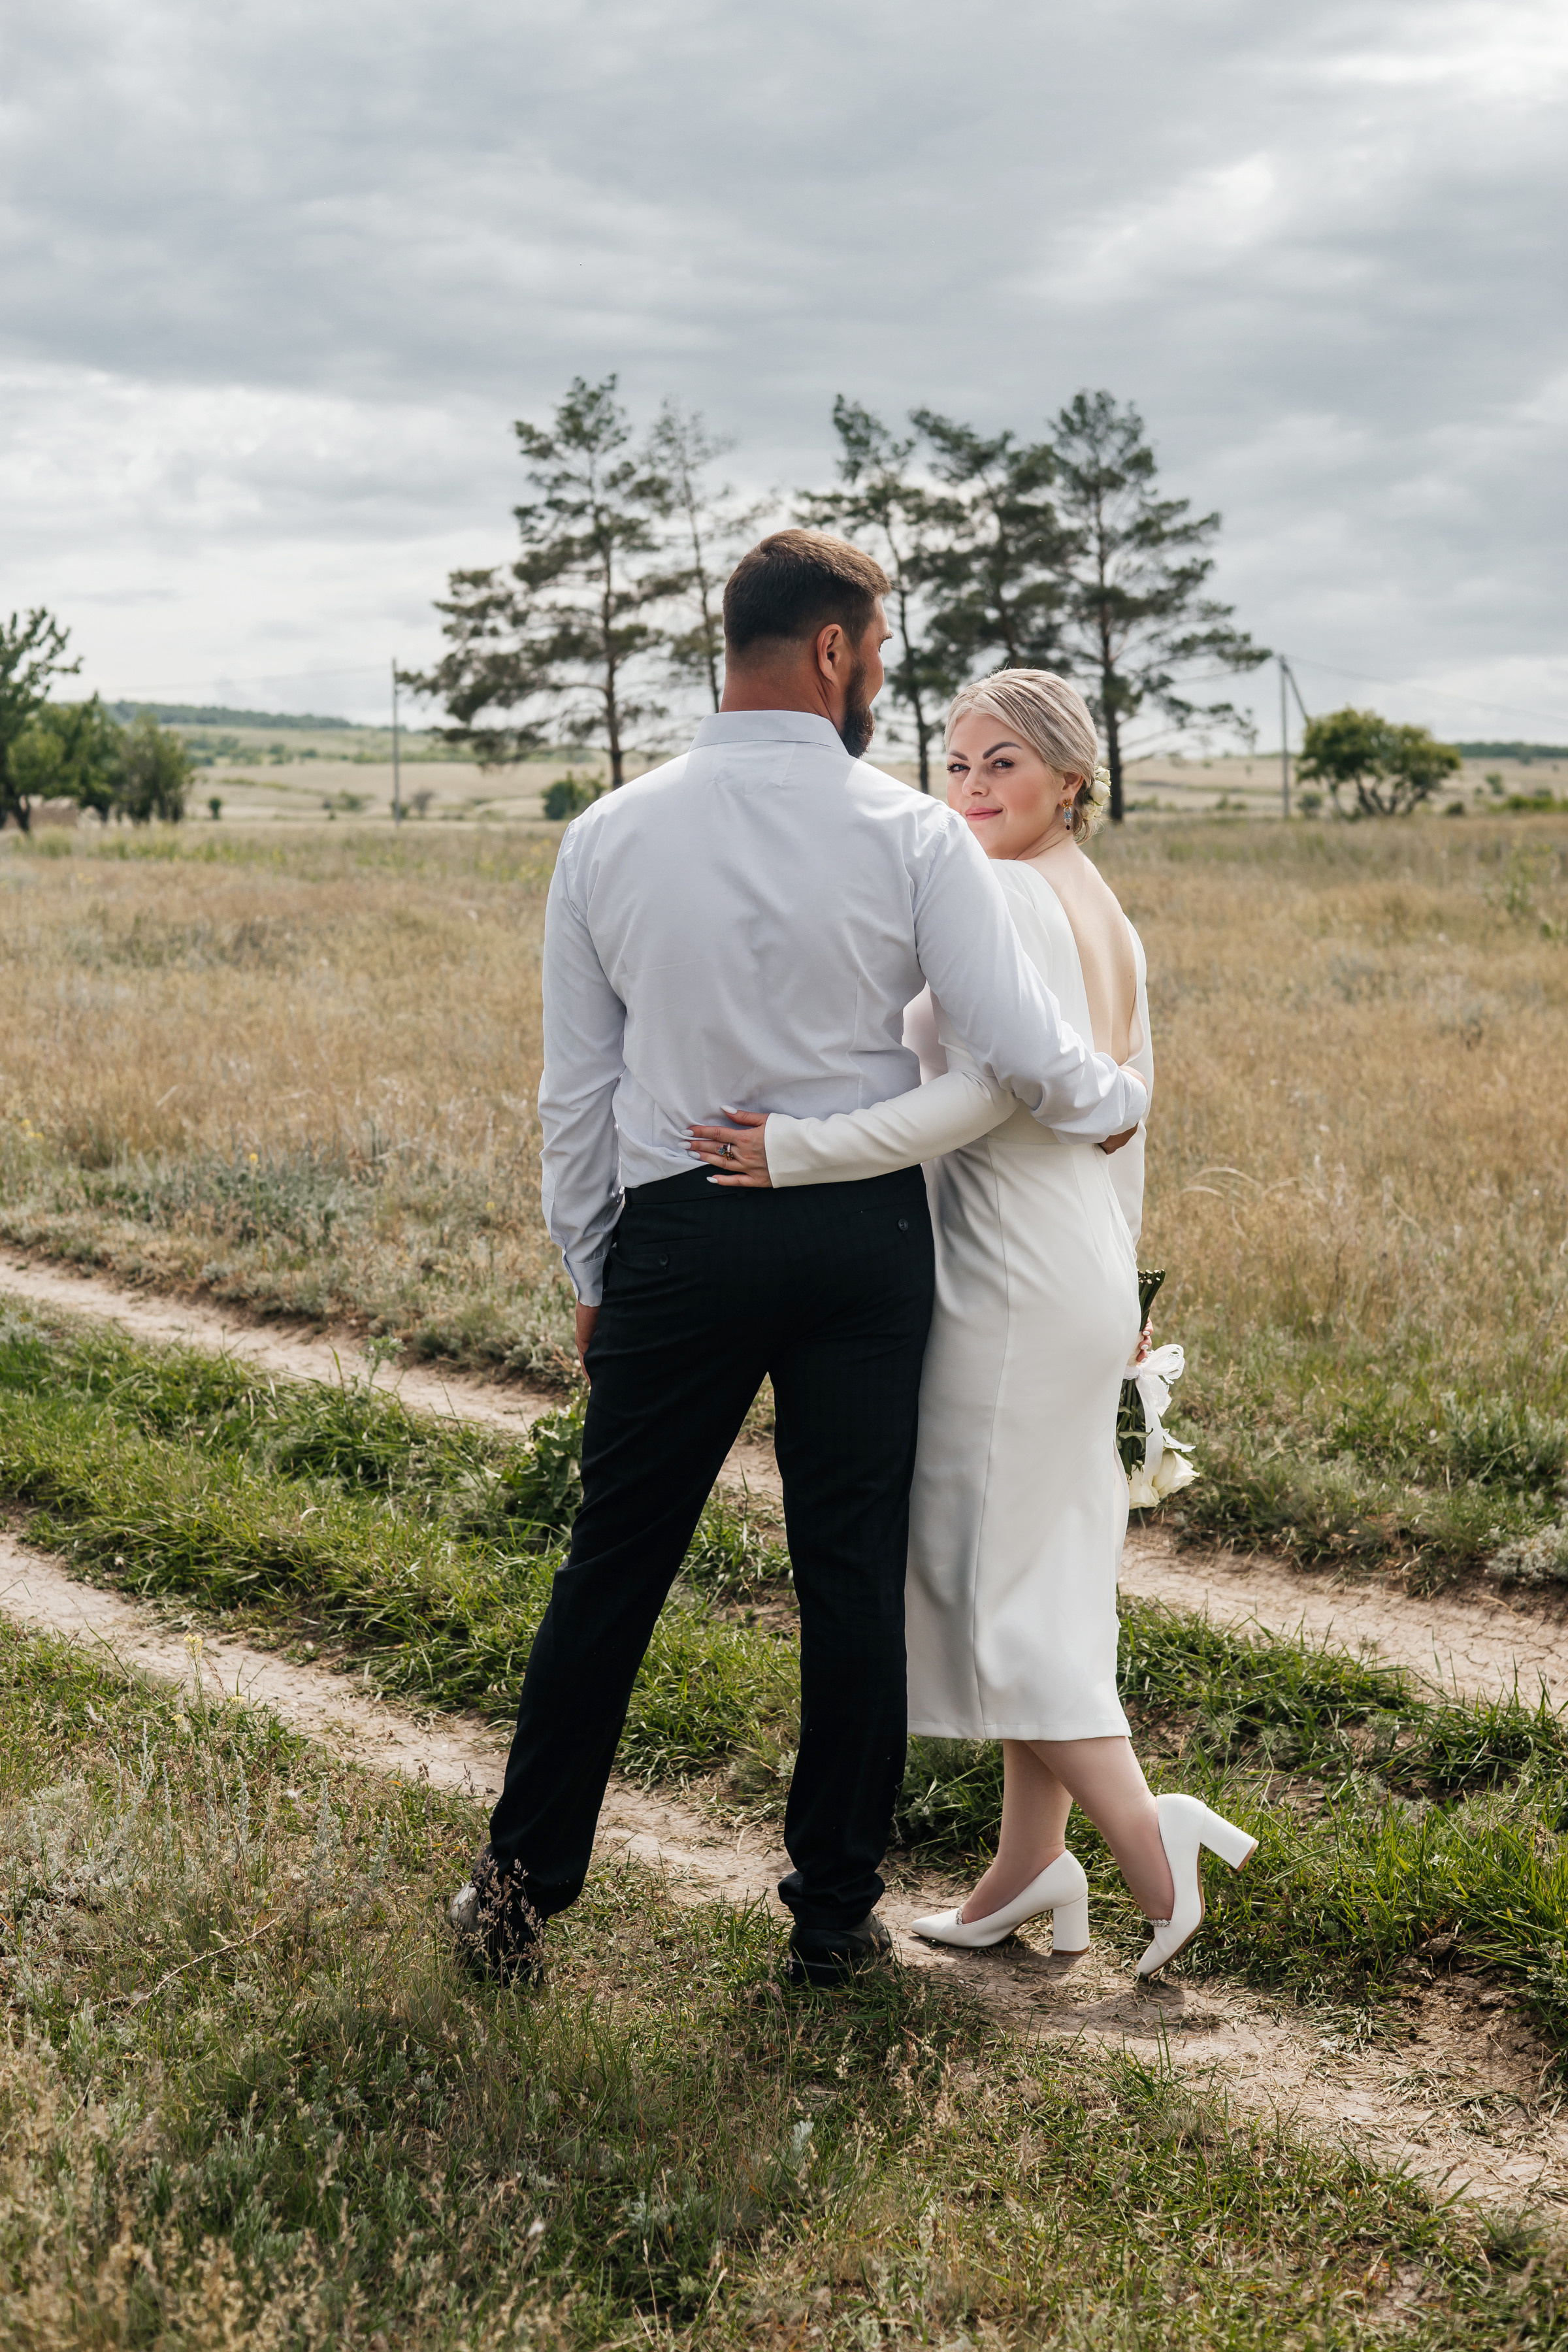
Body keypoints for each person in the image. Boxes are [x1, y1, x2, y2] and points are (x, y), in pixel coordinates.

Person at [449, 534, 1148, 1989]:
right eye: (881, 652)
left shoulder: (608, 833)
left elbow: (575, 1093)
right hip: (859, 1239)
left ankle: (517, 1899)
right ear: (834, 650)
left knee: (614, 1569)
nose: (882, 679)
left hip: (677, 1235)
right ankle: (834, 1920)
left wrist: (593, 1264)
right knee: (848, 1580)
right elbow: (1028, 1050)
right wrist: (1118, 1103)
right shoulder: (907, 834)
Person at [689, 670, 1254, 1980]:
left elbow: (990, 1099)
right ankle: (1021, 1869)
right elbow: (1126, 1114)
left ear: (1070, 779)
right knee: (1041, 1565)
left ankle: (1143, 1840)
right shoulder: (1098, 904)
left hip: (1005, 1268)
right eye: (952, 764)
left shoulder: (1002, 891)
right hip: (1076, 1268)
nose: (969, 788)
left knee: (982, 1583)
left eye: (1002, 764)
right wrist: (1123, 1297)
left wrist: (799, 1151)